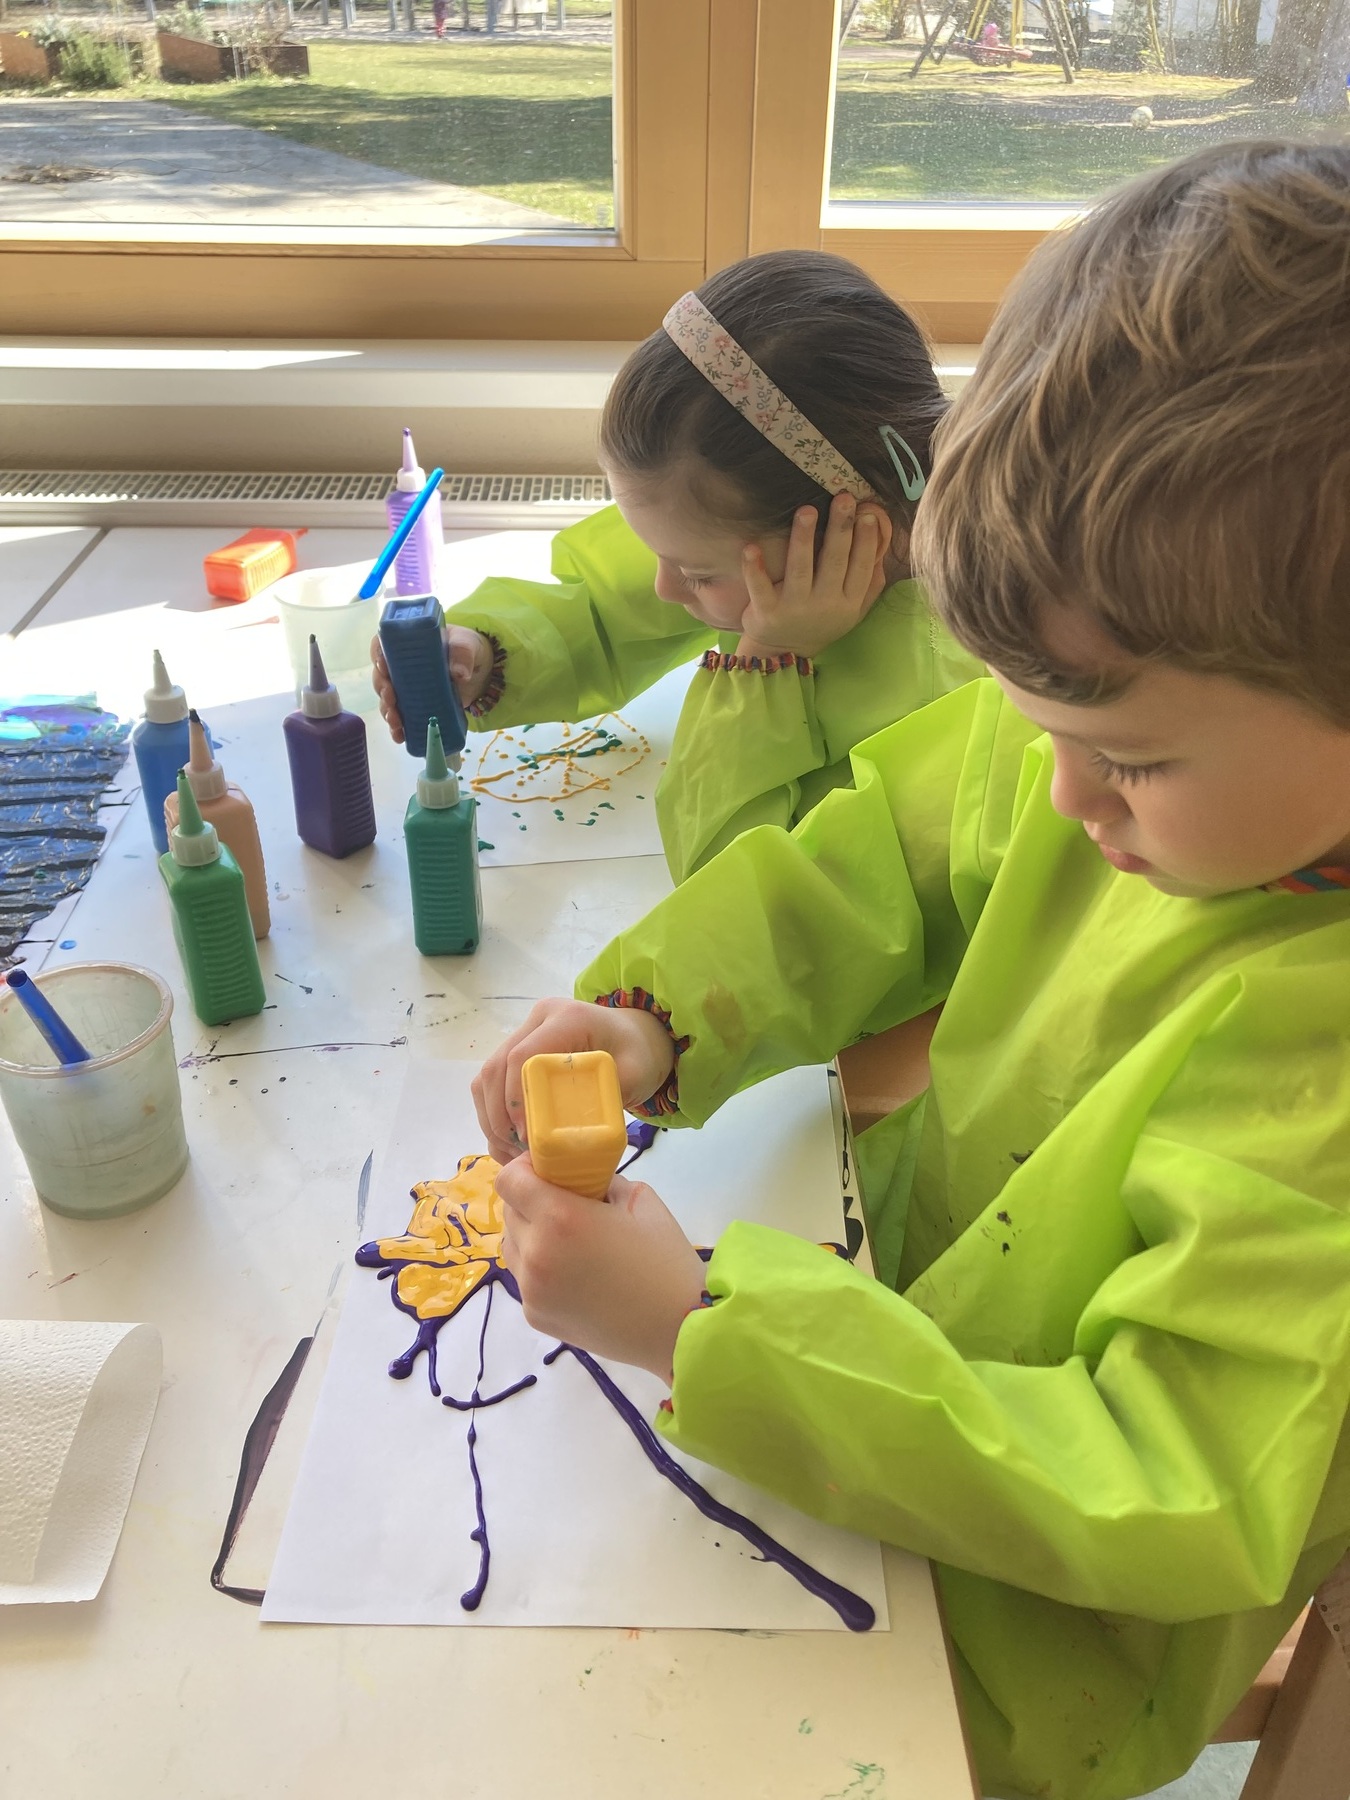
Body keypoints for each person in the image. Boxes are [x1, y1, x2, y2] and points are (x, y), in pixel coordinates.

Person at [471, 141, 1350, 1800]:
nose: (1064, 796)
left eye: (1130, 759)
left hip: (1017, 1645)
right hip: (886, 1316)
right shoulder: (1099, 744)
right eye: (1039, 729)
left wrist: (709, 1333)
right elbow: (877, 855)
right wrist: (654, 1017)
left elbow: (1167, 1476)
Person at [371, 252, 981, 884]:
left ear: (854, 538)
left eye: (695, 575)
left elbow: (740, 884)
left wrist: (766, 662)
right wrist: (483, 654)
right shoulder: (761, 531)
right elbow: (608, 609)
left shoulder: (947, 707)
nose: (665, 586)